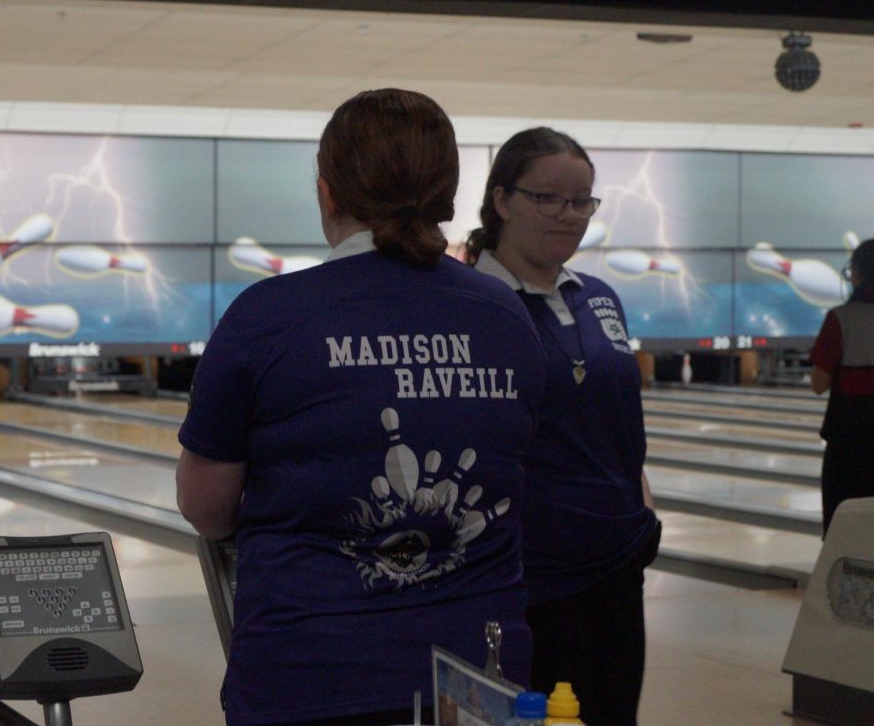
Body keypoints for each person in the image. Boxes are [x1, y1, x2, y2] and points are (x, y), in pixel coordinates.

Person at [176, 89, 545, 726]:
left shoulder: (266, 316)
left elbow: (206, 509)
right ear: (450, 191)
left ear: (327, 192)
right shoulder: (506, 315)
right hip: (477, 683)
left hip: (309, 678)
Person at [463, 127, 660, 726]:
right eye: (548, 198)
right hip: (527, 579)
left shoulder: (598, 297)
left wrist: (642, 514)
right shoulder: (470, 303)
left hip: (616, 567)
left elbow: (620, 423)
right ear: (501, 200)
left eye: (581, 201)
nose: (568, 215)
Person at [809, 237, 874, 536]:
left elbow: (818, 383)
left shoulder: (840, 319)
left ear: (858, 273)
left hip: (848, 444)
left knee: (842, 532)